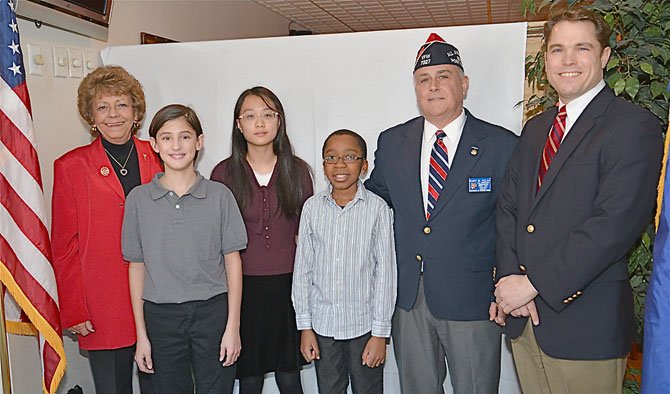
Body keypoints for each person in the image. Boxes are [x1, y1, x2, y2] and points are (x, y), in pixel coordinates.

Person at [494, 7, 663, 393]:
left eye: (581, 48)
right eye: (557, 50)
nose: (567, 60)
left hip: (586, 326)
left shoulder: (633, 125)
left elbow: (614, 224)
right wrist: (508, 282)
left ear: (604, 56)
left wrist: (533, 283)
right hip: (526, 321)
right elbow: (508, 209)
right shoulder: (536, 129)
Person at [364, 34, 518, 393]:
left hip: (474, 298)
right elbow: (374, 203)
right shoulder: (392, 142)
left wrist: (507, 286)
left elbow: (514, 222)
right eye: (424, 79)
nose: (433, 86)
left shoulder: (502, 145)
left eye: (444, 76)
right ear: (415, 89)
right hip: (409, 299)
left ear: (463, 85)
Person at [51, 65, 162, 394]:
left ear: (136, 111)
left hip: (159, 297)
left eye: (122, 104)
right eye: (103, 106)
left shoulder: (160, 155)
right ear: (91, 116)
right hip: (103, 303)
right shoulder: (70, 166)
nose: (113, 114)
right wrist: (73, 306)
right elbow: (64, 246)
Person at [121, 104, 247, 393]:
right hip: (161, 316)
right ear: (153, 144)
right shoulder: (139, 200)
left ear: (199, 142)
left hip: (213, 312)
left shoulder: (219, 196)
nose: (176, 146)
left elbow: (233, 262)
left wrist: (233, 328)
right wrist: (142, 335)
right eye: (166, 138)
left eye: (185, 137)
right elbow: (136, 266)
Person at [210, 86, 312, 394]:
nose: (260, 123)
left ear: (279, 121)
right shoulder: (224, 174)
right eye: (250, 116)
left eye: (268, 115)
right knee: (249, 378)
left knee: (290, 376)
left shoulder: (298, 171)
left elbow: (305, 237)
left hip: (289, 289)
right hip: (243, 290)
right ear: (238, 124)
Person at [292, 129, 397, 394]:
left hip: (364, 327)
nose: (340, 164)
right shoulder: (312, 208)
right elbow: (302, 271)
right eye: (331, 157)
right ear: (324, 164)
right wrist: (305, 327)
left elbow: (385, 273)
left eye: (349, 156)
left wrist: (380, 334)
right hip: (323, 327)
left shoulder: (378, 209)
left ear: (364, 166)